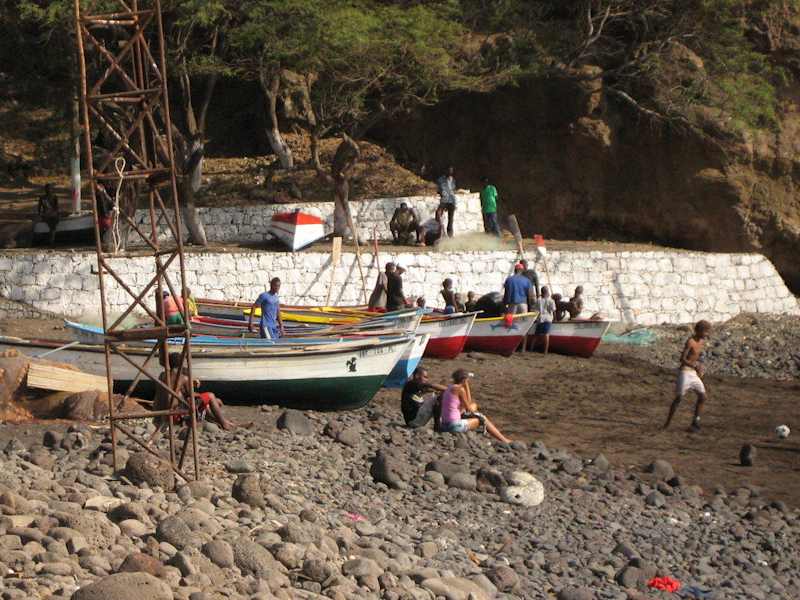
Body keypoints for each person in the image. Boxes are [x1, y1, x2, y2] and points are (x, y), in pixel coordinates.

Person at [154, 353, 233, 431]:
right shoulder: (183, 378)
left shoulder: (162, 375)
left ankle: (219, 421)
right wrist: (199, 393)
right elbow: (191, 395)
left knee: (209, 401)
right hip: (174, 414)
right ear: (181, 363)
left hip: (161, 414)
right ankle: (224, 424)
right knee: (211, 396)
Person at [663, 320, 711, 432]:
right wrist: (694, 365)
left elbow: (696, 357)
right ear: (699, 331)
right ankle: (667, 423)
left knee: (703, 397)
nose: (707, 334)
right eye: (705, 332)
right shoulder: (690, 342)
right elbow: (682, 359)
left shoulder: (701, 342)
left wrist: (699, 366)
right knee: (678, 398)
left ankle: (695, 422)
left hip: (693, 373)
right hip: (685, 373)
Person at [439, 369, 511, 443]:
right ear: (464, 380)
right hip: (453, 426)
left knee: (474, 406)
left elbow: (466, 404)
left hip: (444, 424)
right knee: (482, 420)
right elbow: (469, 408)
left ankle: (503, 439)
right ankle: (504, 440)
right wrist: (467, 386)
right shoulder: (460, 389)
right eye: (467, 379)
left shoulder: (450, 387)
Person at [533, 286, 556, 354]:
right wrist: (555, 319)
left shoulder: (538, 300)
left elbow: (535, 310)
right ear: (547, 292)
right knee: (546, 334)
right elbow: (554, 310)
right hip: (548, 319)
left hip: (540, 319)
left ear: (542, 292)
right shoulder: (551, 301)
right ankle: (545, 351)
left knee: (536, 335)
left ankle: (531, 348)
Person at [436, 166, 457, 237]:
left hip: (452, 201)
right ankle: (441, 230)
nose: (450, 172)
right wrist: (442, 194)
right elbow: (439, 190)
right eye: (449, 171)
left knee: (450, 219)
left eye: (451, 171)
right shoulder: (440, 180)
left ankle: (450, 234)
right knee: (438, 214)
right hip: (444, 200)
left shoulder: (453, 180)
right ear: (446, 171)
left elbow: (453, 190)